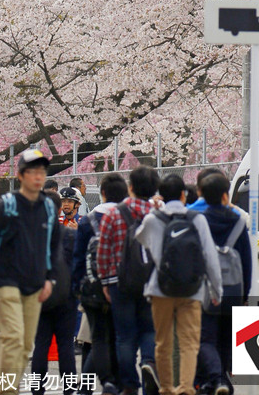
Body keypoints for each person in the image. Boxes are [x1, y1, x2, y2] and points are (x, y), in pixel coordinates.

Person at [0, 149, 61, 394]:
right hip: (7, 281)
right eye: (32, 172)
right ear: (21, 175)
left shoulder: (48, 209)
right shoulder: (7, 205)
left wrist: (50, 278)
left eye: (42, 172)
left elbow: (53, 246)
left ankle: (0, 390)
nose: (38, 177)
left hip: (34, 285)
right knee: (14, 339)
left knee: (25, 346)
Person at [136, 174, 222, 395]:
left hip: (160, 288)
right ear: (184, 195)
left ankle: (166, 388)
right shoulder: (197, 219)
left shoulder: (153, 219)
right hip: (191, 290)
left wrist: (153, 210)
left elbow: (140, 239)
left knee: (163, 342)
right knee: (189, 342)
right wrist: (216, 289)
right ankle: (185, 387)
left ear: (161, 196)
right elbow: (210, 257)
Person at [97, 166, 159, 395]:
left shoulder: (114, 214)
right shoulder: (157, 213)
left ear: (130, 187)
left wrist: (105, 281)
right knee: (149, 330)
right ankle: (149, 364)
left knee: (124, 336)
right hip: (151, 282)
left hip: (118, 282)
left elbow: (103, 249)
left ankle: (129, 385)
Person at [197, 172, 252, 395]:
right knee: (228, 339)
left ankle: (217, 380)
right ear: (225, 195)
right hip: (234, 289)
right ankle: (222, 379)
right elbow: (246, 259)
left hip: (207, 290)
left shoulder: (200, 221)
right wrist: (245, 293)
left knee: (207, 339)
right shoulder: (239, 221)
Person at [73, 172, 128, 394]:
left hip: (93, 288)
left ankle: (98, 385)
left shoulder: (89, 221)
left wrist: (77, 287)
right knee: (117, 338)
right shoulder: (129, 218)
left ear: (103, 193)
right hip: (121, 287)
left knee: (98, 339)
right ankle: (114, 382)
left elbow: (79, 257)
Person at [31, 190, 79, 395]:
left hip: (41, 297)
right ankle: (69, 390)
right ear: (59, 209)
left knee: (40, 345)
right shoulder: (70, 235)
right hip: (66, 298)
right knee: (66, 347)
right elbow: (77, 266)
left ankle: (36, 390)